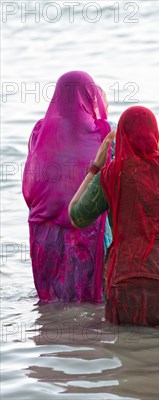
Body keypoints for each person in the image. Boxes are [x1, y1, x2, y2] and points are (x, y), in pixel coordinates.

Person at [69, 106, 159, 327]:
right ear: (155, 136)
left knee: (135, 353)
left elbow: (77, 215)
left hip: (136, 279)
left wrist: (95, 167)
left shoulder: (112, 174)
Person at [22, 71, 112, 303]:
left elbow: (33, 182)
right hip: (90, 228)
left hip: (45, 229)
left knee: (52, 302)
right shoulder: (104, 131)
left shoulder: (39, 131)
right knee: (92, 305)